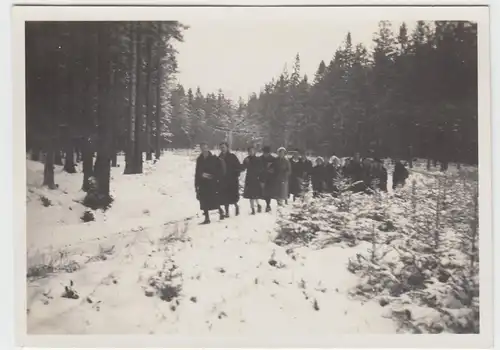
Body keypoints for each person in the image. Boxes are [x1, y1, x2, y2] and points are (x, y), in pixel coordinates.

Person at [195, 143, 225, 224]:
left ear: (208, 148)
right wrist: (198, 181)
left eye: (205, 148)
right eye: (202, 148)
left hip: (212, 182)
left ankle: (221, 211)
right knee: (203, 200)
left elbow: (219, 169)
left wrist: (215, 177)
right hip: (202, 182)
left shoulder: (213, 158)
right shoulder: (199, 159)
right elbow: (197, 171)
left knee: (214, 198)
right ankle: (207, 218)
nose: (204, 150)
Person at [218, 142, 242, 217]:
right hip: (223, 180)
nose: (222, 149)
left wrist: (236, 174)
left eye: (224, 147)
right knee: (225, 197)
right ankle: (227, 212)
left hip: (232, 180)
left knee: (233, 196)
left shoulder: (232, 156)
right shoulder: (219, 157)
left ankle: (236, 207)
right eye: (221, 147)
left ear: (227, 148)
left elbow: (238, 167)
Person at [242, 145, 263, 215]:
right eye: (249, 151)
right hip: (249, 178)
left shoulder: (258, 159)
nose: (251, 152)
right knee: (251, 195)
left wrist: (259, 177)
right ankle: (253, 209)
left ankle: (258, 205)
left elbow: (260, 169)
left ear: (255, 152)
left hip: (256, 178)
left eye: (252, 151)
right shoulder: (246, 159)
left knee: (255, 195)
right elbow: (243, 167)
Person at [259, 146, 276, 212]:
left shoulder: (273, 159)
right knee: (262, 192)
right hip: (262, 177)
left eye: (267, 153)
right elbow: (258, 168)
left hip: (270, 178)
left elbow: (275, 169)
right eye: (264, 152)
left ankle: (268, 205)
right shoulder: (260, 158)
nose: (265, 154)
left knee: (268, 192)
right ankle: (261, 205)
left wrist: (271, 170)